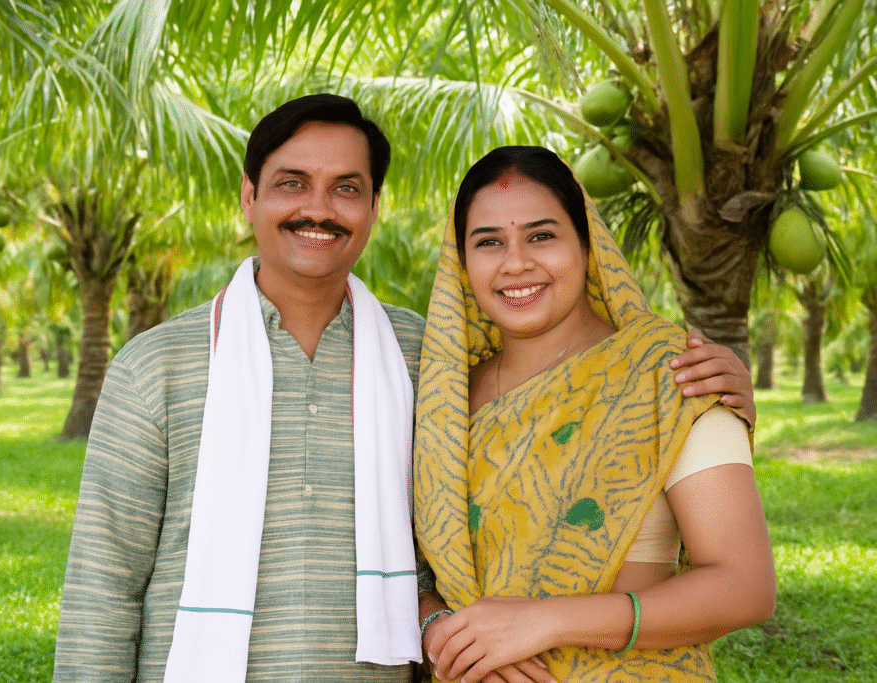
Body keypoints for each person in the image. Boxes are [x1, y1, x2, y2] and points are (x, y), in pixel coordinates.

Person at [53, 96, 757, 683]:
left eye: (346, 188)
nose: (318, 208)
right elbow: (101, 590)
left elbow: (721, 551)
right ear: (250, 196)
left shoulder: (429, 361)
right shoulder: (157, 366)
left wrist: (716, 396)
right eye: (292, 182)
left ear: (373, 206)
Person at [414, 146, 776, 683]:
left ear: (587, 246)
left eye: (542, 236)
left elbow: (745, 586)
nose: (516, 263)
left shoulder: (669, 373)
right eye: (488, 242)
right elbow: (411, 572)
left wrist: (545, 623)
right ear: (462, 264)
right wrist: (440, 629)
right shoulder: (441, 402)